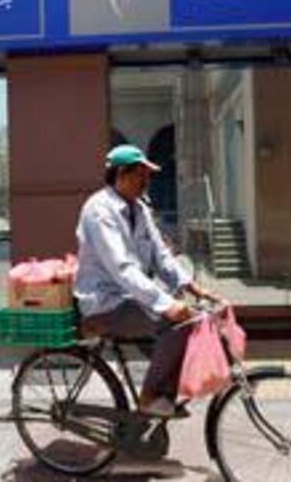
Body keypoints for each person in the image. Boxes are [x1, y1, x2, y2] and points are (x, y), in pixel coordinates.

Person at [74, 144, 221, 418]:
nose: (146, 181)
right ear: (120, 174)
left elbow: (161, 256)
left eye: (147, 176)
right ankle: (150, 398)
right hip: (105, 303)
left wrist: (192, 286)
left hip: (130, 298)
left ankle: (154, 409)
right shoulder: (99, 210)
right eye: (140, 175)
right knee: (178, 323)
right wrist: (166, 304)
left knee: (186, 328)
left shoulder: (138, 208)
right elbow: (122, 268)